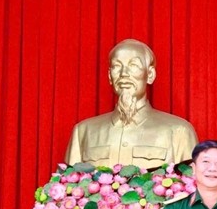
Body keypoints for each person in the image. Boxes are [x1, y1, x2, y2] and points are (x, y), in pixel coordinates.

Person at [65, 39, 198, 168]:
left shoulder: (180, 131)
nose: (124, 74)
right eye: (117, 66)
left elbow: (192, 180)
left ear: (150, 74)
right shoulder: (83, 131)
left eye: (133, 65)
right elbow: (69, 180)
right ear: (110, 76)